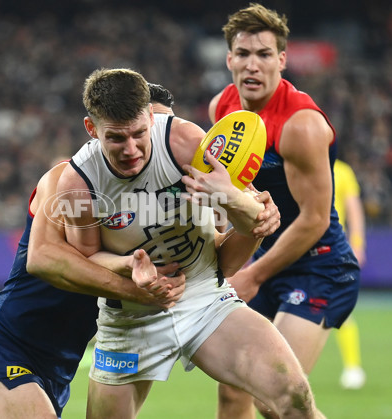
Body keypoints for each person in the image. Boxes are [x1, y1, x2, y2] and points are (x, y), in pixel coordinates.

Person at [57, 67, 325, 418]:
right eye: (116, 139)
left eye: (139, 133)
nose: (131, 149)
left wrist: (248, 209)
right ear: (92, 129)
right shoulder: (77, 184)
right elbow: (87, 255)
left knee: (294, 398)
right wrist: (127, 267)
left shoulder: (183, 141)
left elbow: (248, 217)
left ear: (150, 116)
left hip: (205, 298)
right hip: (130, 318)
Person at [208, 4, 361, 418]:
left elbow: (314, 219)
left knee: (277, 401)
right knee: (232, 392)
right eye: (243, 54)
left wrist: (252, 275)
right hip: (260, 259)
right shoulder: (222, 109)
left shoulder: (301, 124)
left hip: (319, 266)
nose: (252, 65)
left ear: (282, 60)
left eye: (263, 54)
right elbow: (225, 194)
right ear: (229, 60)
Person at [0, 160, 187, 419]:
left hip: (57, 375)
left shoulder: (147, 212)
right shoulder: (66, 182)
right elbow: (43, 259)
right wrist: (132, 285)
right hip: (1, 350)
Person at [333, 158, 367, 390]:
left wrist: (357, 244)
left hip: (333, 249)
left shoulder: (342, 171)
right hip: (300, 245)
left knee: (341, 308)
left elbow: (354, 210)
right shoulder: (341, 169)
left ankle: (353, 367)